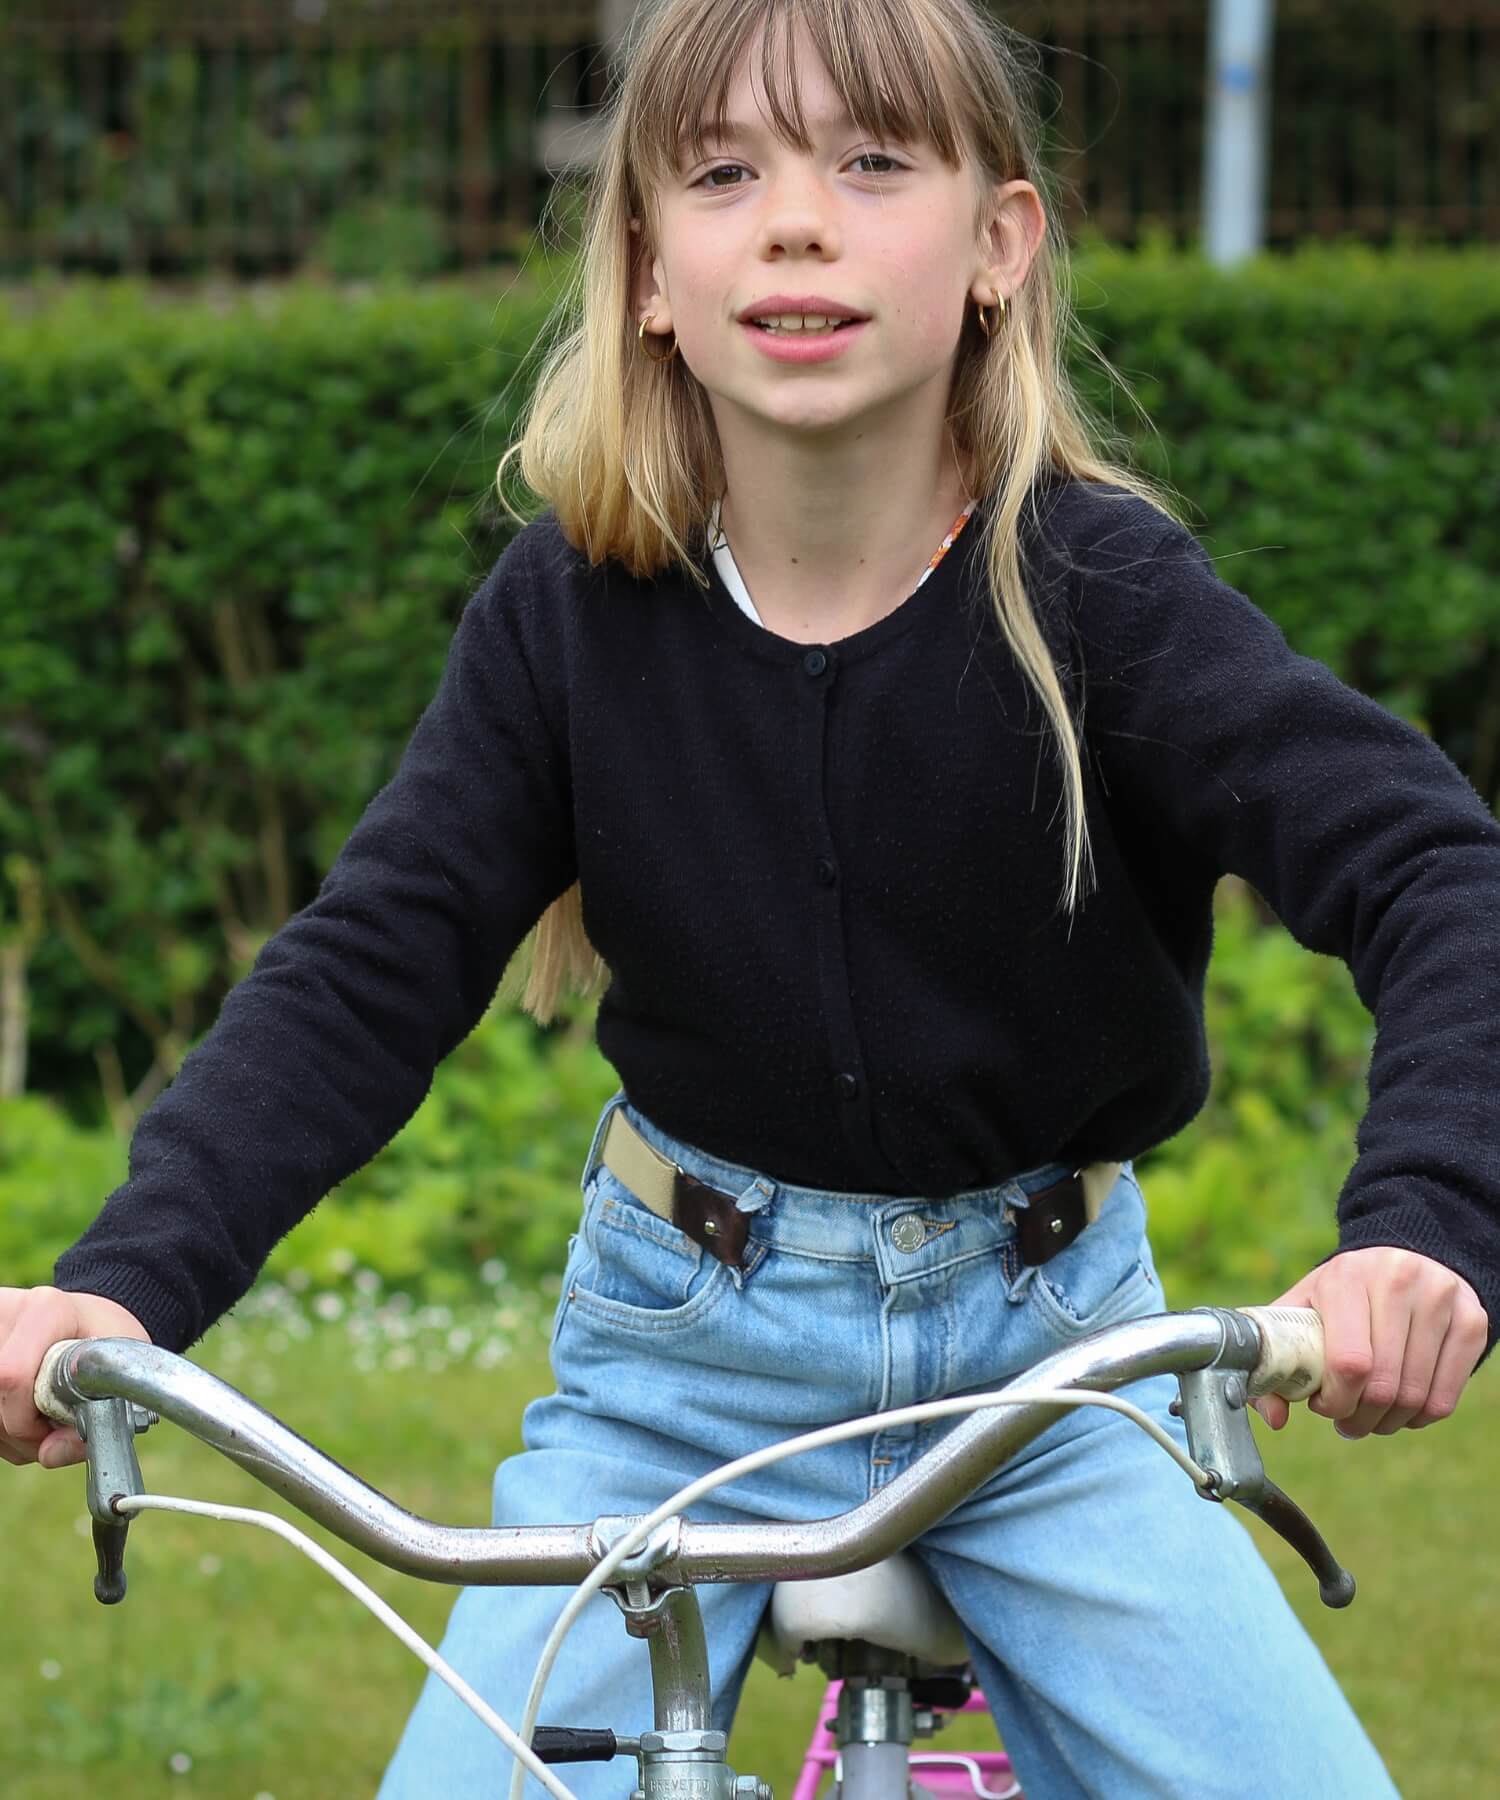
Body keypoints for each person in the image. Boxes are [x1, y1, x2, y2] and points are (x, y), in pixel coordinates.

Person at [2, 0, 1494, 1792]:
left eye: (872, 163)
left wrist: (1423, 1224)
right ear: (647, 271)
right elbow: (369, 967)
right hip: (676, 1375)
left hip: (1054, 1379)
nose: (795, 223)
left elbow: (1434, 869)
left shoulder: (1101, 596)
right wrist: (124, 1287)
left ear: (1001, 243)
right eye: (723, 176)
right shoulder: (570, 616)